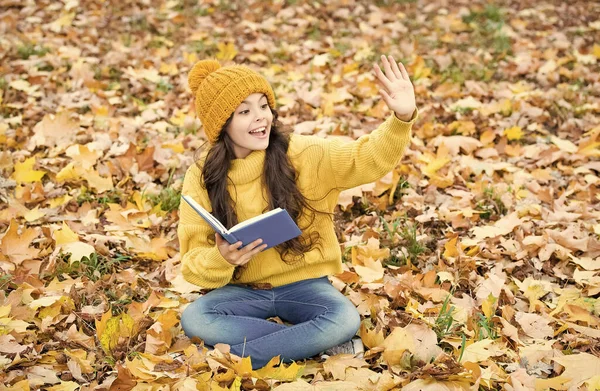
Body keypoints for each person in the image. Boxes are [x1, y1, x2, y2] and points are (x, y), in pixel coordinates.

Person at [178, 54, 418, 370]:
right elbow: (192, 264)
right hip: (242, 292)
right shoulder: (201, 176)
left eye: (264, 106)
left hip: (305, 287)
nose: (260, 117)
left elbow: (366, 158)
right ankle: (314, 343)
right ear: (222, 124)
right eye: (245, 111)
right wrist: (222, 258)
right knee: (195, 318)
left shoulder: (303, 153)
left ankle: (238, 357)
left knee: (343, 317)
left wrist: (402, 117)